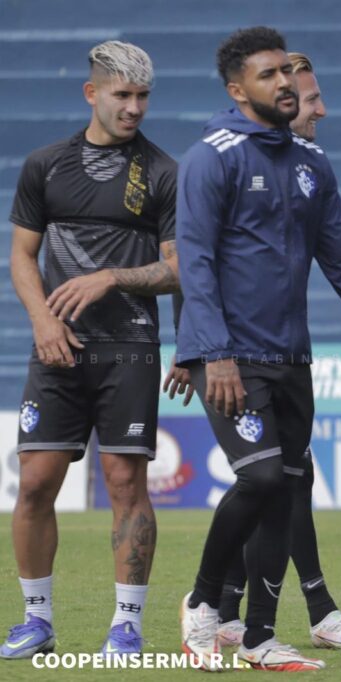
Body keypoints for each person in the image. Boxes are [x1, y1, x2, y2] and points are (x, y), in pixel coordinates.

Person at [175, 27, 341, 672]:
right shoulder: (212, 156)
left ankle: (257, 638)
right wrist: (213, 352)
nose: (284, 83)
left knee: (284, 489)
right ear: (237, 90)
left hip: (292, 357)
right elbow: (193, 261)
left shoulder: (312, 164)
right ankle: (202, 603)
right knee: (258, 477)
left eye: (287, 71)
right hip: (230, 357)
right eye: (268, 75)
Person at [1, 41, 174, 660]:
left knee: (126, 482)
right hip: (57, 349)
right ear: (91, 93)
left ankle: (126, 626)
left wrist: (111, 278)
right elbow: (22, 256)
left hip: (130, 348)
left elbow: (179, 270)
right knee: (35, 484)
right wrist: (43, 319)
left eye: (142, 97)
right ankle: (36, 621)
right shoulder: (45, 165)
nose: (133, 108)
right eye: (122, 95)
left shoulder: (161, 171)